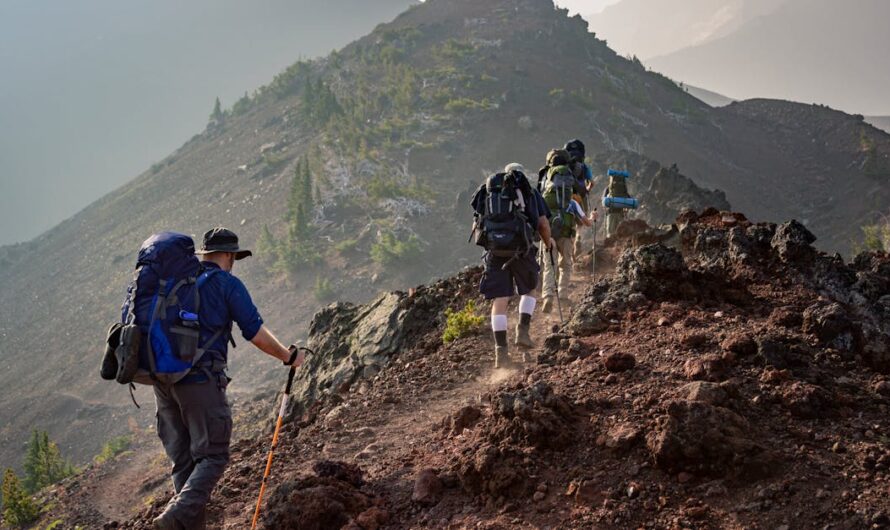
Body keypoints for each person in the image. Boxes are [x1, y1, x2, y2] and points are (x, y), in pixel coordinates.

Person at [153, 227, 305, 530]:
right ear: (229, 255)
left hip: (163, 382)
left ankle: (183, 522)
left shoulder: (178, 282)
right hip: (201, 382)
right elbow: (256, 334)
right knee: (213, 457)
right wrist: (288, 357)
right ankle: (176, 516)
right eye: (233, 256)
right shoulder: (226, 284)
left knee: (184, 462)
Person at [471, 164, 551, 368]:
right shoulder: (528, 192)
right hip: (521, 249)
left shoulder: (488, 193)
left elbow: (477, 224)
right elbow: (542, 224)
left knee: (500, 300)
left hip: (495, 252)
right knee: (530, 290)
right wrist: (548, 244)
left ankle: (501, 353)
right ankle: (523, 331)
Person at [539, 149, 581, 313]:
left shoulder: (546, 178)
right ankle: (563, 295)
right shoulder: (570, 178)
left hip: (549, 229)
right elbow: (579, 195)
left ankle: (548, 296)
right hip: (566, 229)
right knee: (566, 264)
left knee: (550, 264)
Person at [564, 139, 595, 258]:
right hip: (580, 197)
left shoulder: (564, 167)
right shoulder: (584, 166)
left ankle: (570, 244)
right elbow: (592, 182)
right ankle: (578, 237)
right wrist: (586, 189)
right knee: (581, 222)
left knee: (568, 222)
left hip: (566, 197)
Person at [604, 169, 632, 238]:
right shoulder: (623, 190)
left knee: (610, 234)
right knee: (621, 235)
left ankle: (611, 247)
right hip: (620, 213)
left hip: (611, 213)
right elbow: (629, 201)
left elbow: (604, 202)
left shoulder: (609, 189)